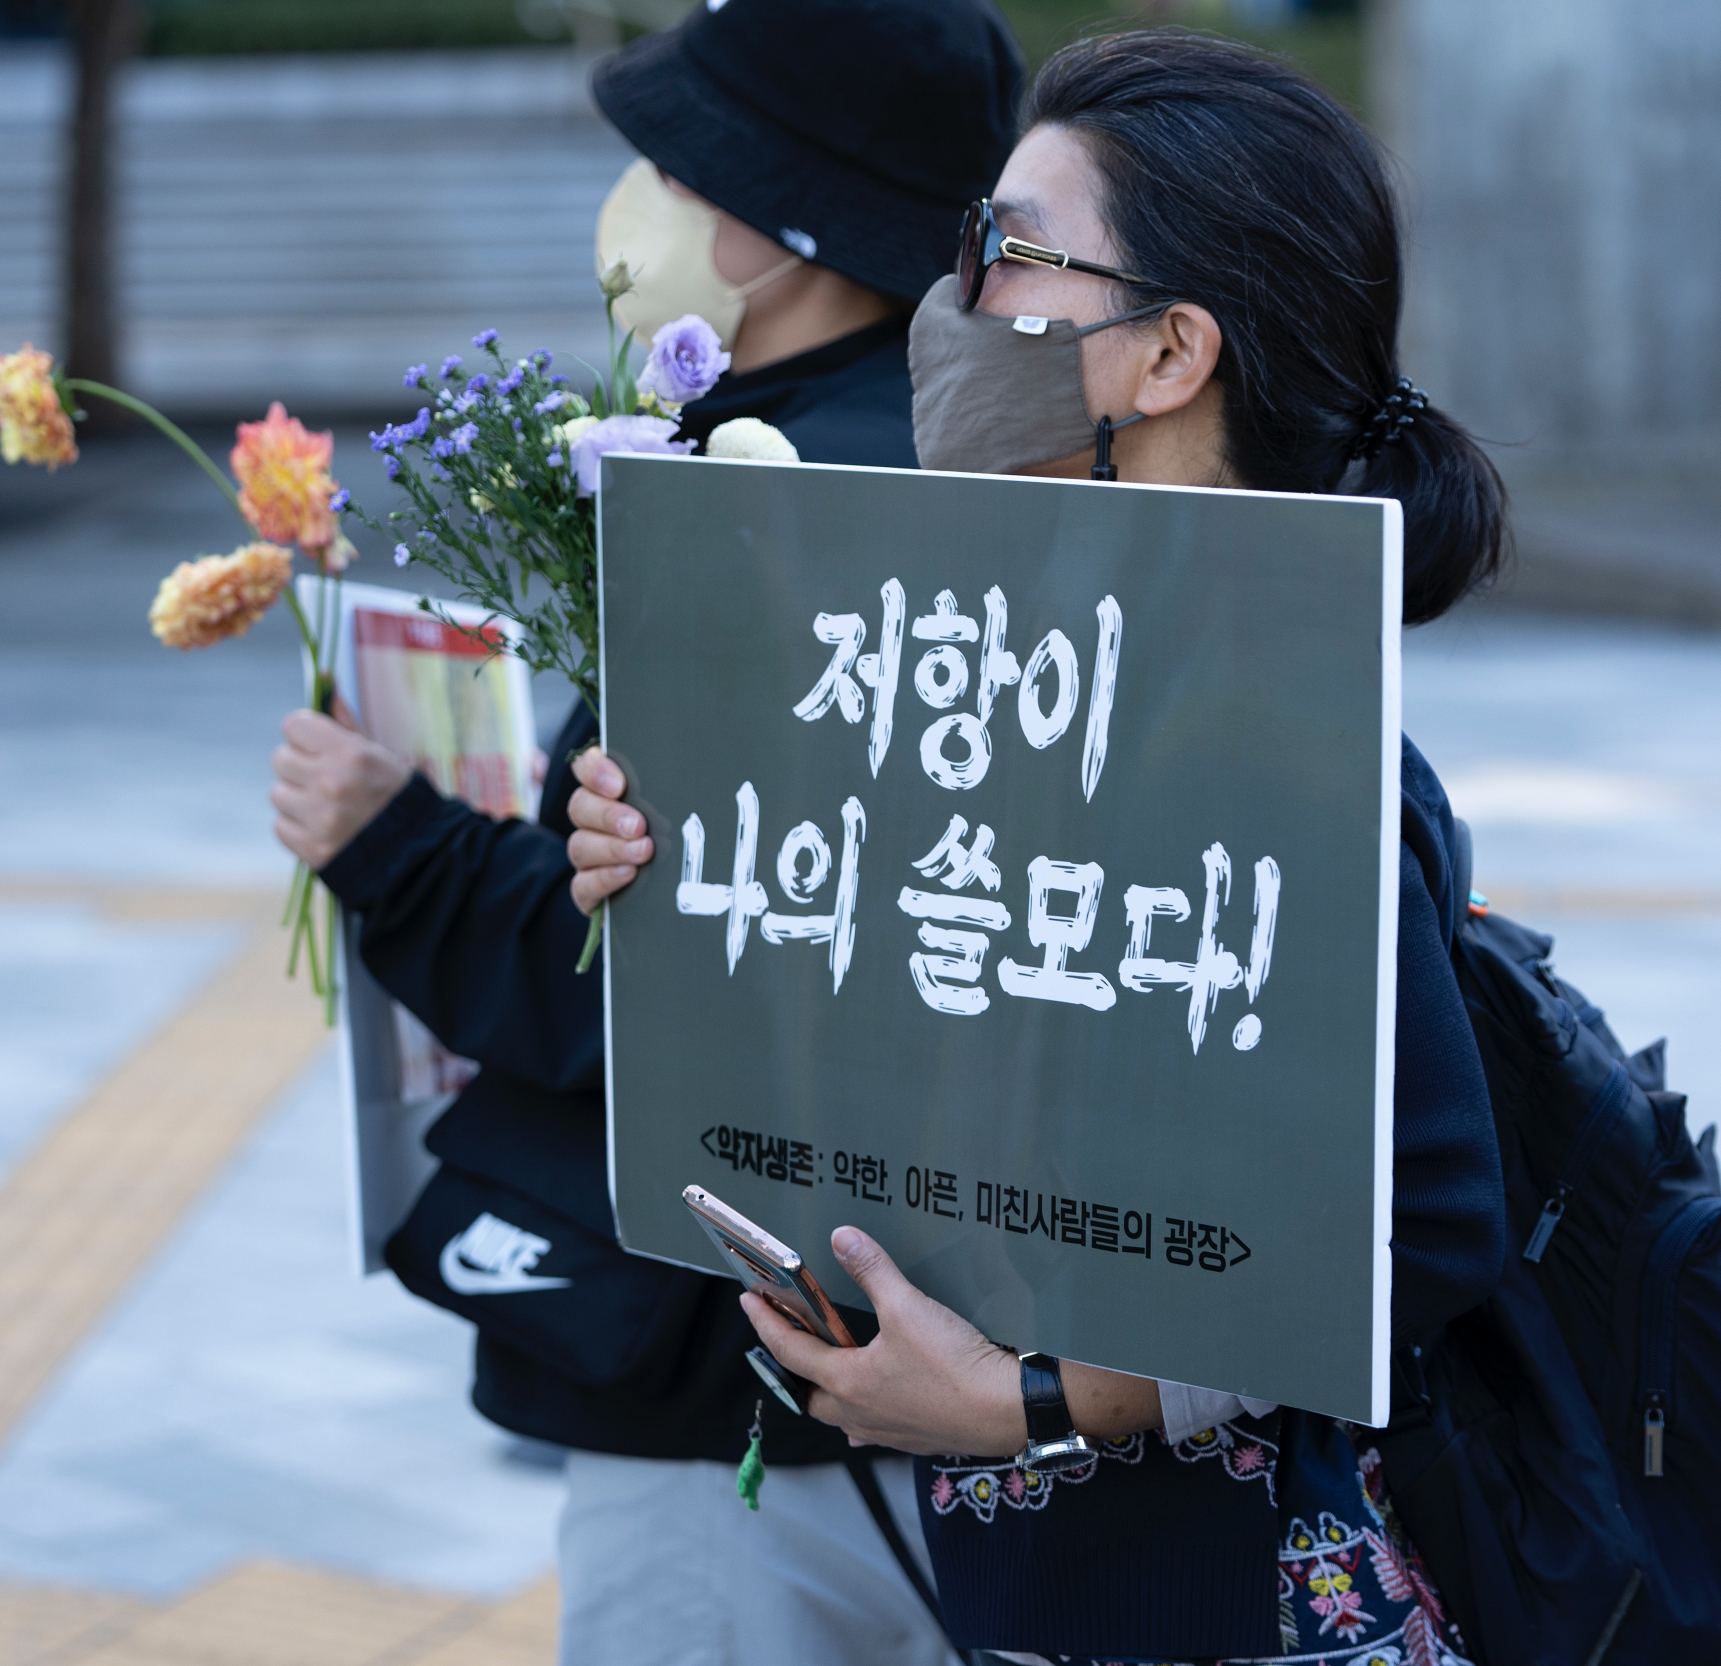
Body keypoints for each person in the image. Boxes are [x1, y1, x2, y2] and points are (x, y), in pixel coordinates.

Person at [564, 30, 1513, 1665]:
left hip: (1237, 1610)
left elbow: (1418, 1221)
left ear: (1168, 356)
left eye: (1006, 255)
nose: (953, 302)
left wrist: (1032, 1406)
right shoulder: (1023, 685)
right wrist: (690, 873)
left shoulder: (1265, 726)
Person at [266, 4, 1021, 1663]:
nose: (640, 197)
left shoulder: (772, 515)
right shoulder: (964, 464)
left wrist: (395, 844)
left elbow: (660, 994)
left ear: (792, 222)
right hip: (932, 1360)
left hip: (729, 1401)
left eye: (680, 166)